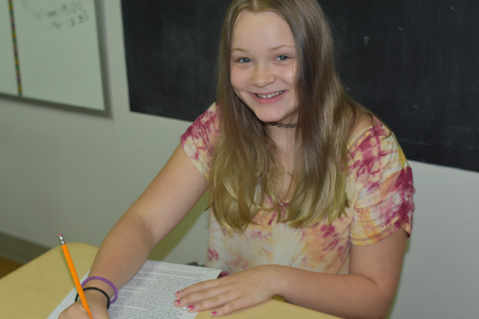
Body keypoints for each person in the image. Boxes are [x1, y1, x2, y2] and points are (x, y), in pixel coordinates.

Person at [59, 0, 415, 318]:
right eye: (243, 60)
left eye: (282, 57)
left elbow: (374, 297)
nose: (261, 78)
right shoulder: (221, 124)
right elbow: (144, 221)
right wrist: (96, 293)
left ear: (316, 58)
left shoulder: (372, 152)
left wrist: (272, 278)